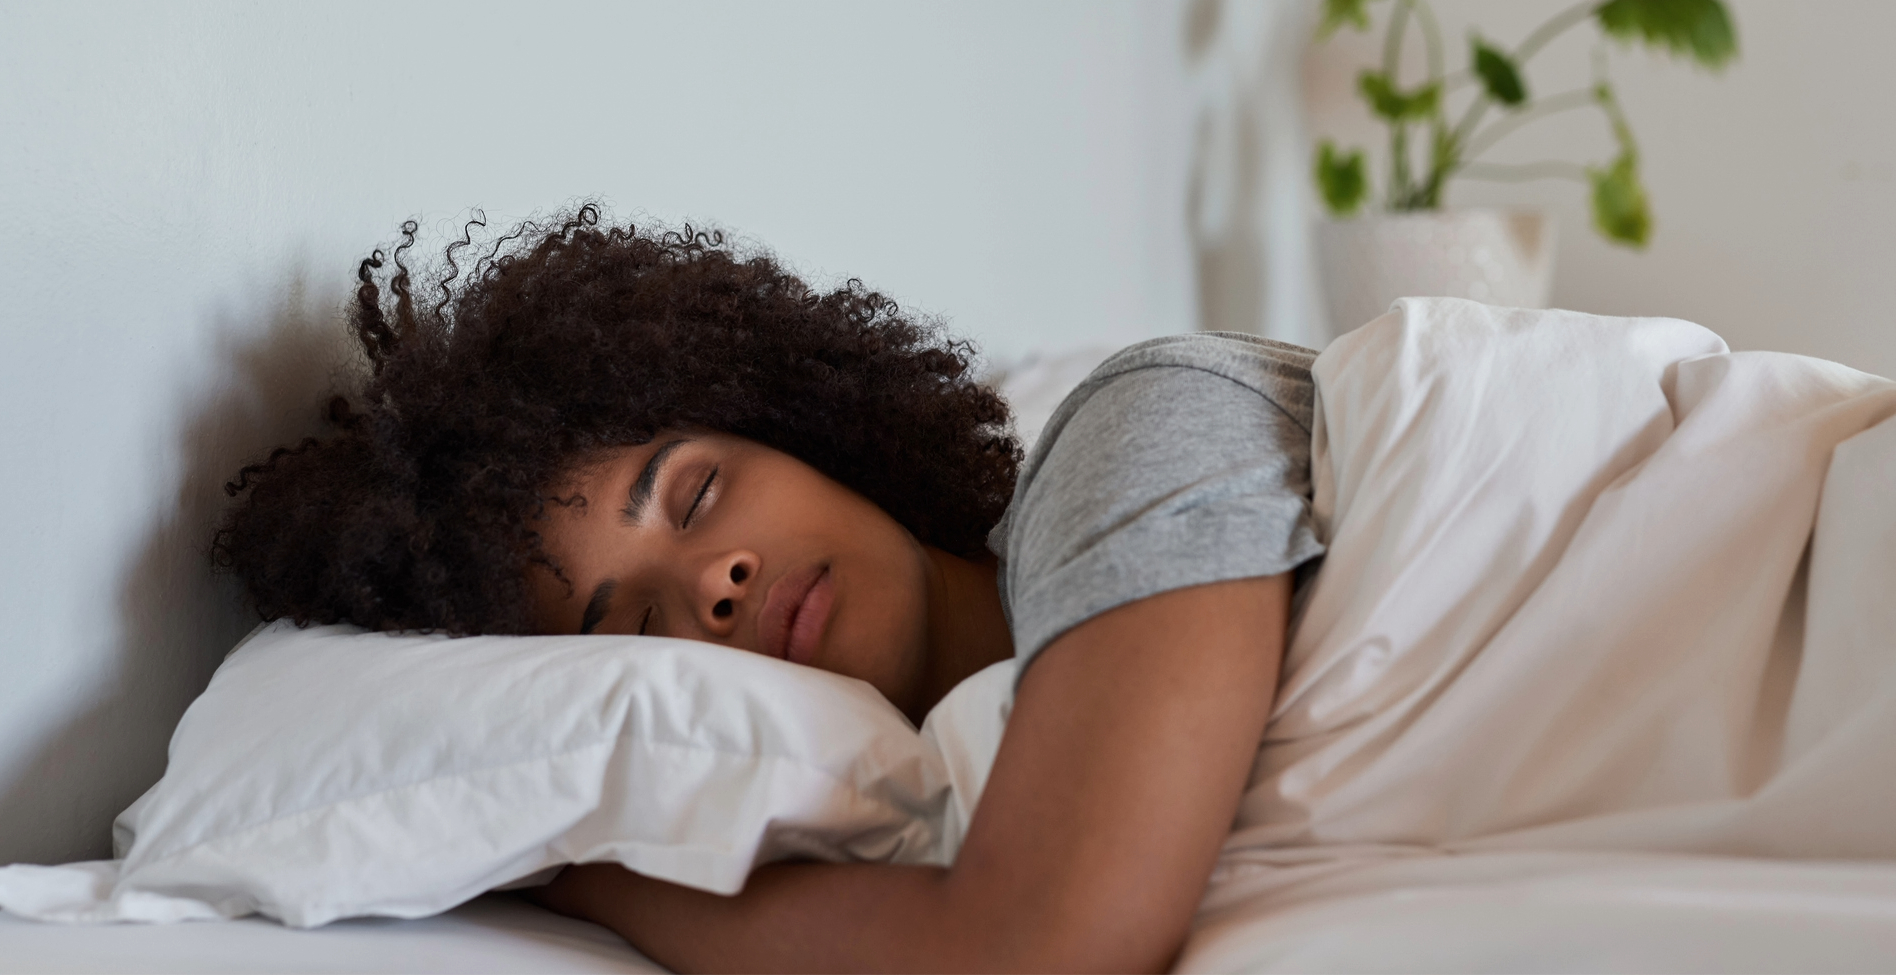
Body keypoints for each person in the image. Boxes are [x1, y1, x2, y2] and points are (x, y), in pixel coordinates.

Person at [216, 206, 1322, 972]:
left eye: (695, 496)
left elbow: (1036, 948)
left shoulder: (1132, 430)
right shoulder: (940, 766)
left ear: (801, 426)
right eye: (640, 626)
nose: (714, 581)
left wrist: (589, 879)